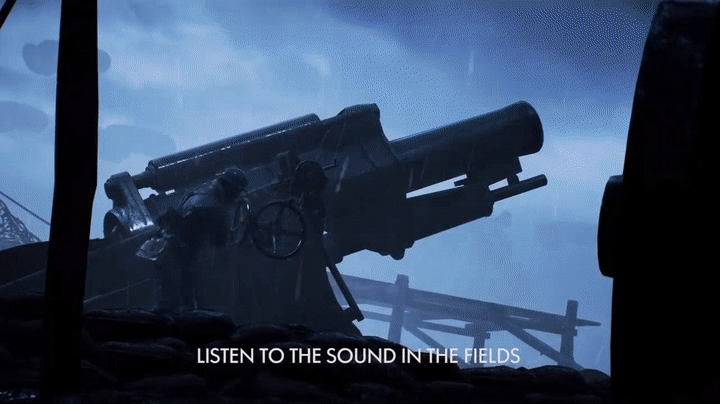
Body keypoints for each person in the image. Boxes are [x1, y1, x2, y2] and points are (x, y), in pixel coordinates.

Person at [137, 166, 248, 313]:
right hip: (175, 252)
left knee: (183, 298)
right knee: (172, 304)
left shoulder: (205, 190)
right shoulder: (214, 208)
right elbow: (221, 241)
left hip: (172, 248)